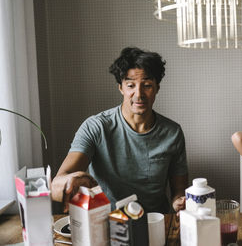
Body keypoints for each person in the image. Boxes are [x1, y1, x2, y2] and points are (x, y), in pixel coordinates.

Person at [51, 47, 188, 214]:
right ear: (121, 88)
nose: (139, 94)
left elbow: (178, 191)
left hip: (155, 222)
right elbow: (56, 186)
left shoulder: (172, 132)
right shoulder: (96, 127)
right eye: (131, 85)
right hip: (106, 223)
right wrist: (73, 180)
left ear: (157, 88)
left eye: (147, 85)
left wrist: (179, 203)